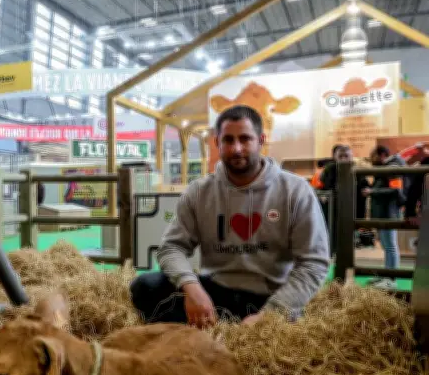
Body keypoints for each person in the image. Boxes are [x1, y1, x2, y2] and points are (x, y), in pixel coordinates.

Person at [129, 105, 330, 328]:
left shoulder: (295, 190)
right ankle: (199, 339)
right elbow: (171, 248)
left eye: (245, 139)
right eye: (228, 140)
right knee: (145, 286)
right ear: (217, 143)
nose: (236, 149)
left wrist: (272, 314)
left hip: (270, 296)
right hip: (215, 293)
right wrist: (192, 287)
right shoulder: (199, 191)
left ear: (261, 140)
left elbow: (314, 263)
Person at [364, 146, 406, 290]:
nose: (372, 160)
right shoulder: (387, 166)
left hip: (389, 212)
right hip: (383, 212)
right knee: (386, 245)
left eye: (373, 156)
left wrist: (372, 191)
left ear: (382, 155)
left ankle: (391, 279)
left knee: (390, 246)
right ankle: (386, 274)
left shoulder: (394, 166)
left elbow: (396, 190)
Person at [319, 144, 371, 250]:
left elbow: (364, 187)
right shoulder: (329, 169)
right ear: (335, 157)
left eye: (346, 156)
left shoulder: (357, 170)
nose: (343, 158)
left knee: (348, 242)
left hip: (351, 210)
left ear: (351, 157)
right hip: (333, 212)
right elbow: (326, 186)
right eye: (341, 156)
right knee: (332, 240)